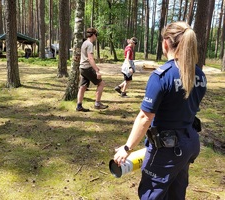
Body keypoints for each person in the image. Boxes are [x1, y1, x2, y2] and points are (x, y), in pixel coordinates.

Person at [113, 21, 206, 199]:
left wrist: (127, 148)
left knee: (151, 193)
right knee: (176, 192)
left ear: (165, 43)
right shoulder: (200, 75)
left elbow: (144, 117)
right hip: (189, 144)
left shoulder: (161, 76)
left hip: (166, 150)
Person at [76, 28, 108, 112]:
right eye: (96, 35)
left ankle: (79, 105)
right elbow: (90, 58)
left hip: (82, 68)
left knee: (83, 86)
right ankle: (97, 103)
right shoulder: (89, 44)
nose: (96, 37)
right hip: (87, 67)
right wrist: (96, 70)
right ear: (93, 35)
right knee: (101, 84)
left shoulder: (84, 43)